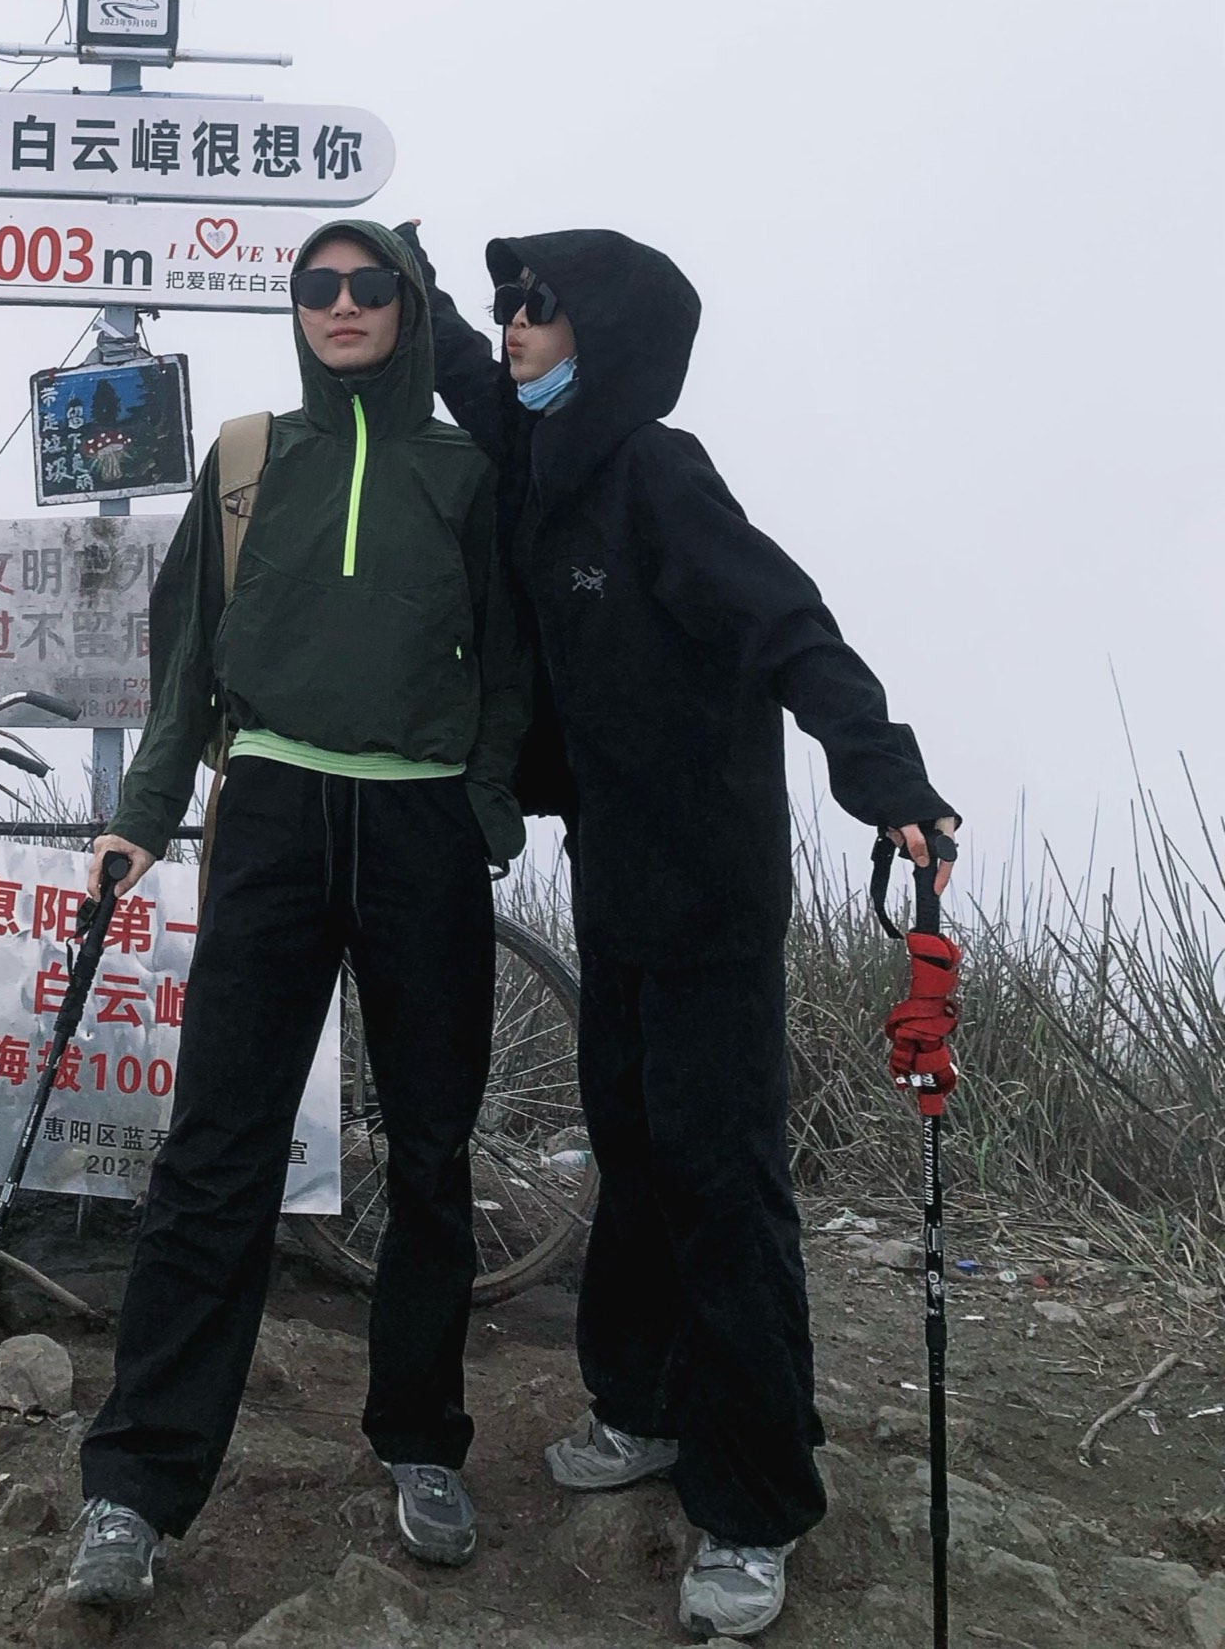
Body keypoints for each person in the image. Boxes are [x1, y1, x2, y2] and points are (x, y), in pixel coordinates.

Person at [404, 223, 959, 1644]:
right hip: (617, 882)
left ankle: (753, 1500)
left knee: (722, 1176)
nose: (512, 326)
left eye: (537, 308)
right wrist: (407, 273)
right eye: (506, 307)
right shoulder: (549, 464)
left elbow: (788, 622)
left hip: (710, 892)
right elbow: (473, 382)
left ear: (605, 335)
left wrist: (886, 777)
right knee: (634, 1150)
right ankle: (643, 1407)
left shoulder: (658, 469)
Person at [64, 220, 527, 1607]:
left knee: (432, 1146)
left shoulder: (464, 470)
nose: (341, 304)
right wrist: (142, 816)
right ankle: (133, 1489)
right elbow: (186, 656)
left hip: (421, 826)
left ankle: (421, 1438)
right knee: (216, 1147)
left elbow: (508, 663)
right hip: (266, 810)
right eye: (317, 286)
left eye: (368, 284)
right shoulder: (252, 458)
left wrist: (485, 806)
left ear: (409, 304)